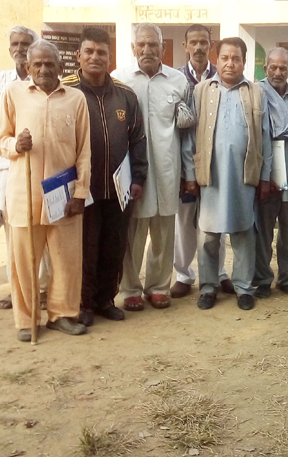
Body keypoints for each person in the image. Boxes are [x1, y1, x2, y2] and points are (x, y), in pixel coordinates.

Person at [0, 39, 91, 340]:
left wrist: (80, 193)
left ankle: (62, 314)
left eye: (50, 64)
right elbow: (0, 140)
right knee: (24, 262)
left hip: (63, 196)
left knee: (67, 260)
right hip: (24, 194)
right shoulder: (13, 94)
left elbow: (84, 151)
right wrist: (14, 145)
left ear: (62, 68)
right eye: (37, 64)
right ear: (27, 67)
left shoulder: (76, 99)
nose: (43, 69)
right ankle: (27, 320)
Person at [62, 28, 148, 326]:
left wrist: (138, 178)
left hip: (118, 189)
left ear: (109, 57)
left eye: (101, 52)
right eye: (89, 51)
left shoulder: (125, 95)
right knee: (86, 248)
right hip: (81, 190)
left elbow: (138, 139)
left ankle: (106, 299)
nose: (95, 57)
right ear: (79, 56)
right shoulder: (66, 91)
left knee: (114, 246)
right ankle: (84, 303)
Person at [113, 23, 196, 311]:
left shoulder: (178, 82)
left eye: (153, 45)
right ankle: (131, 289)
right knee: (132, 234)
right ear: (133, 48)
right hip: (133, 173)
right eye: (142, 45)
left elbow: (186, 133)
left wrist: (189, 174)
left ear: (163, 48)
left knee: (163, 232)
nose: (147, 50)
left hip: (167, 171)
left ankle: (159, 287)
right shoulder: (119, 80)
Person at [192, 37, 272, 311]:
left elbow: (265, 137)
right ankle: (208, 287)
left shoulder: (255, 92)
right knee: (208, 236)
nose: (230, 63)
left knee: (244, 233)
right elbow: (191, 136)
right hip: (210, 176)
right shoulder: (202, 90)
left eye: (235, 58)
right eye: (224, 57)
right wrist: (191, 174)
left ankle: (243, 288)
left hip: (243, 176)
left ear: (244, 62)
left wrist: (265, 176)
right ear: (217, 60)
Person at [171, 23, 235, 299]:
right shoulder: (176, 80)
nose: (198, 47)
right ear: (185, 46)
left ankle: (218, 272)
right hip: (185, 164)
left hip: (215, 166)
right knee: (184, 222)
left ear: (211, 46)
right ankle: (184, 274)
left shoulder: (222, 78)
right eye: (193, 42)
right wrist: (188, 173)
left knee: (214, 222)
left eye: (203, 42)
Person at [0, 26, 43, 311]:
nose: (20, 48)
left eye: (26, 43)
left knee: (43, 226)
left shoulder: (46, 79)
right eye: (15, 44)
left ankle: (42, 290)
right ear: (9, 49)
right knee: (15, 234)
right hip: (9, 169)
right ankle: (17, 290)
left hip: (41, 167)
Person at [252, 47, 288, 298]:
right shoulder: (255, 92)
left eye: (283, 68)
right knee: (262, 230)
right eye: (272, 67)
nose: (277, 72)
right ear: (266, 69)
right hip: (265, 174)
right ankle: (262, 279)